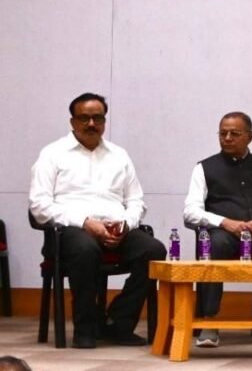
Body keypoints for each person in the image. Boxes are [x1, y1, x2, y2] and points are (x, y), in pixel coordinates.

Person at [29, 92, 167, 349]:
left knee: (153, 250)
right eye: (84, 118)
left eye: (98, 118)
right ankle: (86, 327)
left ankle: (118, 321)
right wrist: (85, 222)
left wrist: (126, 224)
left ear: (104, 121)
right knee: (85, 248)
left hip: (116, 228)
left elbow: (136, 200)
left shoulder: (119, 155)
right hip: (70, 231)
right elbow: (39, 206)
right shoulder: (52, 154)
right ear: (72, 121)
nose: (91, 124)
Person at [183, 111, 252, 348]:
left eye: (234, 134)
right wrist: (224, 222)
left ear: (250, 137)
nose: (227, 138)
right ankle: (209, 320)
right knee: (214, 245)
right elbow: (190, 212)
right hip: (224, 233)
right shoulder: (204, 168)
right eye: (223, 134)